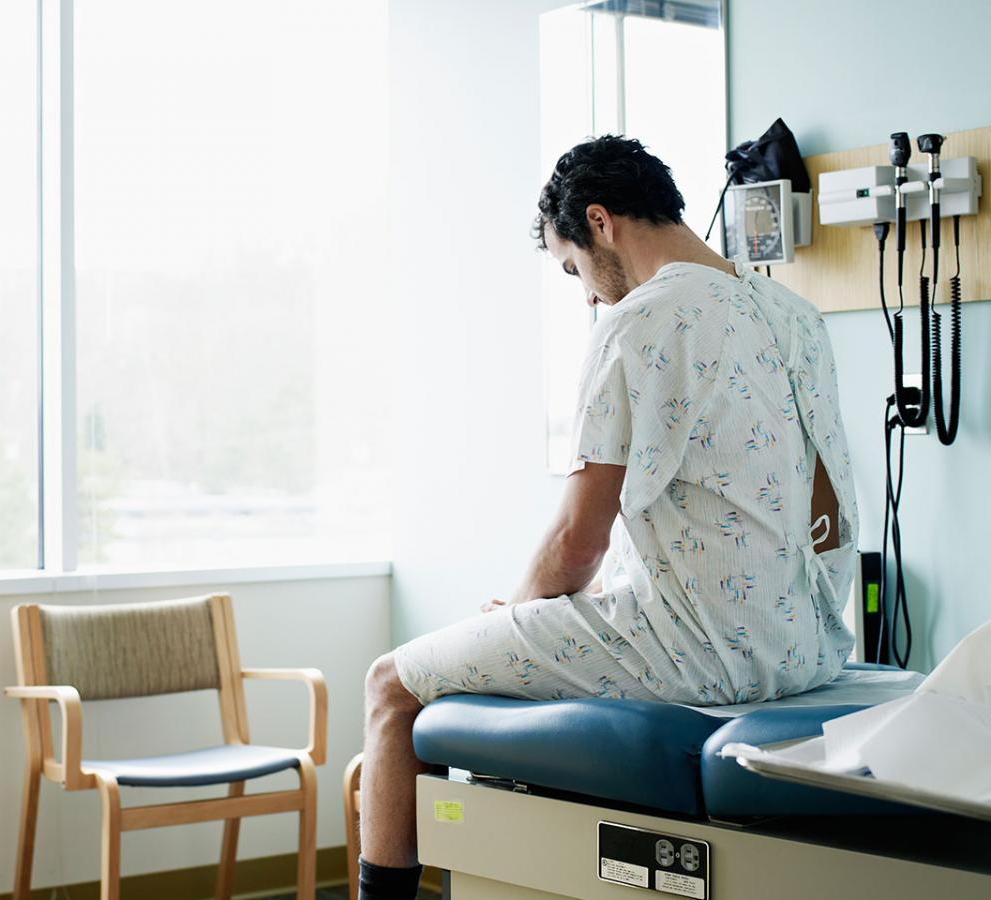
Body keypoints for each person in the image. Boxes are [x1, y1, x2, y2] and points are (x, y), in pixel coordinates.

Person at [356, 135, 858, 900]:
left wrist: (513, 614)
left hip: (700, 655)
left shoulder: (639, 321)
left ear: (599, 222)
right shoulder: (792, 315)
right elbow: (824, 508)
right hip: (807, 647)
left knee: (391, 684)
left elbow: (575, 544)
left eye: (573, 269)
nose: (587, 294)